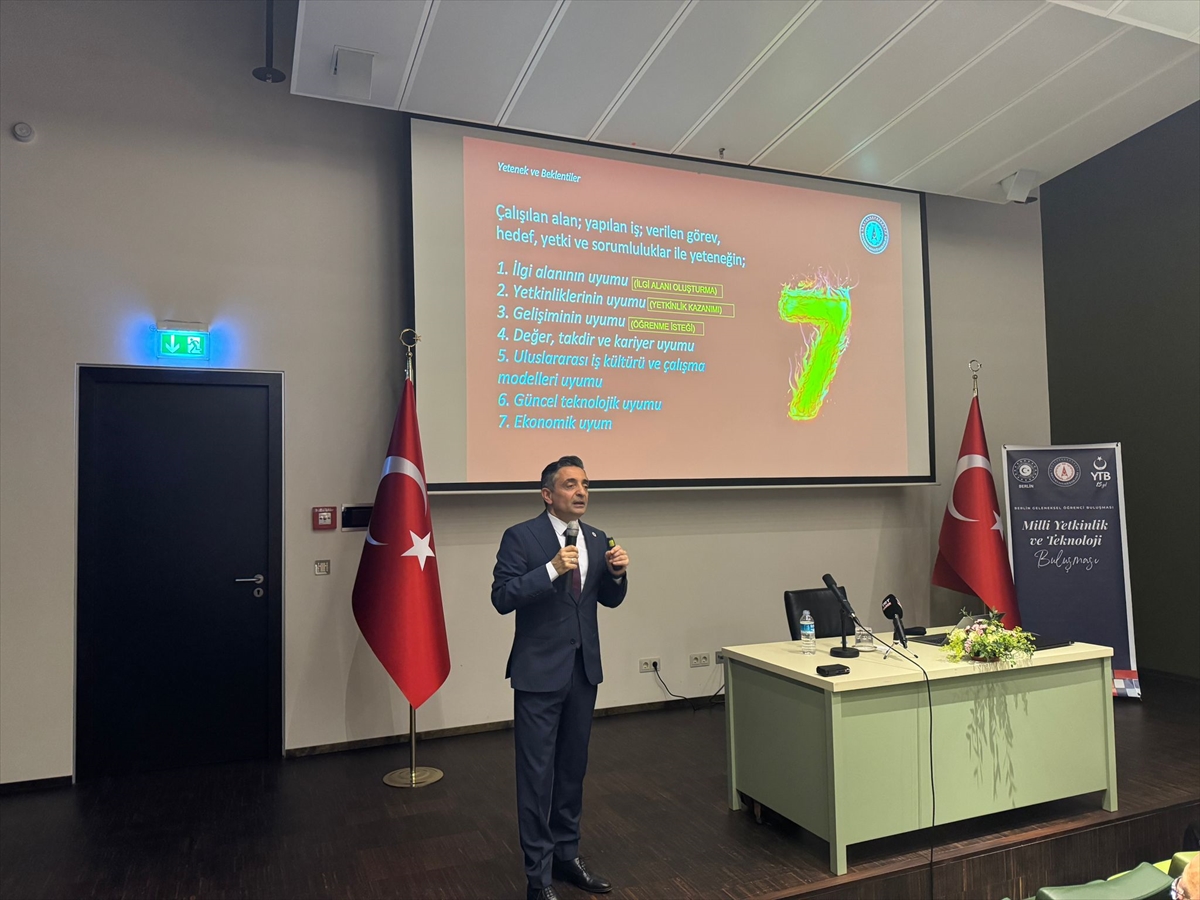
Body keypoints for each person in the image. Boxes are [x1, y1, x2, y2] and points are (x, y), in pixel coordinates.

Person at [491, 455, 629, 900]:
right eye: (570, 484)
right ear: (548, 495)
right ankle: (538, 877)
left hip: (583, 671)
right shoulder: (521, 536)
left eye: (585, 484)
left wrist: (617, 574)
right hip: (538, 674)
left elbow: (607, 599)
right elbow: (502, 596)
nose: (581, 491)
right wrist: (551, 569)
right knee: (536, 776)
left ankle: (567, 855)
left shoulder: (596, 537)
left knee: (572, 770)